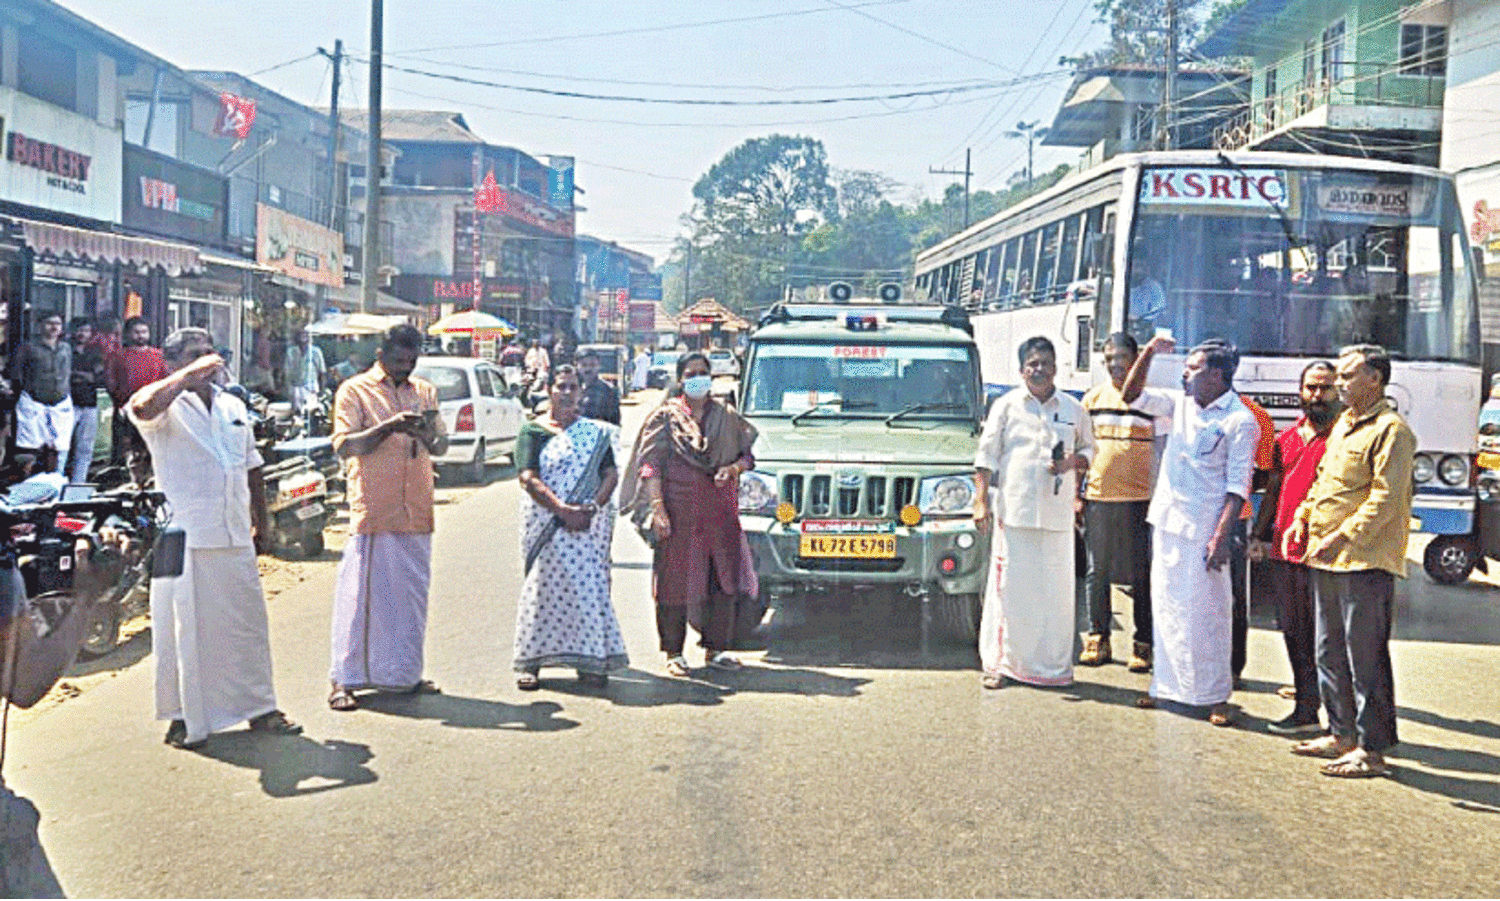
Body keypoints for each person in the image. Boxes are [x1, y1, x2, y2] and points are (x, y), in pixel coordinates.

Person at [127, 327, 301, 749]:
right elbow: (143, 408)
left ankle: (260, 707)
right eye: (192, 355)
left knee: (246, 627)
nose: (206, 360)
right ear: (170, 362)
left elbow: (251, 465)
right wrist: (186, 378)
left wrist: (263, 521)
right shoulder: (162, 402)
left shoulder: (232, 404)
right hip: (184, 533)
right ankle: (183, 716)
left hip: (233, 531)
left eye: (209, 352)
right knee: (182, 630)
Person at [1283, 345, 1415, 778]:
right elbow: (1323, 481)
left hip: (1364, 561)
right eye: (1338, 375)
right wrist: (1302, 518)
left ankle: (1371, 750)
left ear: (1375, 379)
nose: (1339, 382)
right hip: (1326, 558)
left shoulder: (1392, 430)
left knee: (1366, 658)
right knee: (1329, 650)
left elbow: (1385, 499)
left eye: (1348, 375)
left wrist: (1341, 536)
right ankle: (1341, 734)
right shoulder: (1343, 425)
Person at [327, 324, 447, 711]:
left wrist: (427, 432)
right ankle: (343, 680)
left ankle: (402, 674)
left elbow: (440, 446)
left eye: (412, 362)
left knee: (410, 599)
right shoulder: (354, 390)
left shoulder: (424, 391)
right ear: (380, 355)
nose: (405, 369)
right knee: (360, 598)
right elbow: (346, 446)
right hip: (375, 508)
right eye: (398, 360)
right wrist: (389, 428)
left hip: (416, 509)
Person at [1139, 338, 1257, 727]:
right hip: (1169, 522)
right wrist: (1149, 352)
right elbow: (1131, 394)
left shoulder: (1240, 420)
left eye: (1194, 368)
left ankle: (1215, 696)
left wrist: (1221, 536)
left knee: (1209, 614)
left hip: (1206, 529)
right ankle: (1166, 688)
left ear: (1218, 376)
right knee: (1169, 608)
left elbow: (1238, 486)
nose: (1185, 374)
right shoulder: (1179, 404)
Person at [620, 351, 758, 676]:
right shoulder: (665, 417)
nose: (699, 378)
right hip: (678, 510)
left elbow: (749, 457)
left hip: (719, 511)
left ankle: (717, 648)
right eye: (692, 372)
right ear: (681, 379)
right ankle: (674, 652)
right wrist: (658, 508)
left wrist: (733, 467)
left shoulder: (726, 415)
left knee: (721, 580)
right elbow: (650, 465)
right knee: (674, 581)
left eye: (704, 372)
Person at [973, 336, 1094, 689]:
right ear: (1022, 368)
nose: (1038, 369)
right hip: (1016, 513)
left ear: (1056, 367)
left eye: (1045, 363)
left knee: (1055, 596)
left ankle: (1052, 669)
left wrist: (1071, 463)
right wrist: (980, 501)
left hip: (1057, 517)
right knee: (1009, 591)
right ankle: (1001, 665)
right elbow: (986, 457)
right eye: (1032, 363)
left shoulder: (1074, 409)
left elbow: (1091, 450)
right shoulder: (1006, 406)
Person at [512, 365, 628, 689]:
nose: (566, 393)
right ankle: (531, 664)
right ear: (549, 389)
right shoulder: (532, 432)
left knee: (586, 588)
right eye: (561, 386)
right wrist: (561, 510)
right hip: (546, 524)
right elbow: (528, 478)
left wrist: (590, 508)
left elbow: (610, 475)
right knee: (542, 589)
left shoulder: (593, 433)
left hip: (584, 524)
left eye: (572, 387)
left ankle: (589, 659)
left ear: (580, 392)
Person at [1250, 360, 1340, 735]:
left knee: (1327, 633)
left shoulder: (1344, 440)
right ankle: (1306, 702)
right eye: (1310, 388)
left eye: (1325, 388)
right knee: (1292, 626)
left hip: (1325, 551)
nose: (1316, 395)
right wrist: (1259, 534)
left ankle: (1330, 713)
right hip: (1284, 549)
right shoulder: (1286, 439)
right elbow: (1272, 490)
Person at [1079, 332, 1173, 671]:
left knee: (1141, 573)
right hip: (1099, 498)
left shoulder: (1149, 401)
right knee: (1097, 570)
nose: (1115, 365)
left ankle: (1142, 644)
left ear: (1135, 360)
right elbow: (1082, 450)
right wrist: (1078, 496)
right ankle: (1098, 638)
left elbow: (1165, 450)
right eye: (1109, 359)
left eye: (1122, 358)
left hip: (1141, 500)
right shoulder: (1090, 400)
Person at [1231, 395, 1276, 687]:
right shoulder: (1182, 408)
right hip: (1189, 522)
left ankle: (1232, 669)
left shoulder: (1255, 415)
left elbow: (1265, 474)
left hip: (1234, 520)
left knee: (1233, 598)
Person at [106, 317, 169, 482]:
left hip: (154, 410)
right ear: (128, 334)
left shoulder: (158, 355)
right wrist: (120, 403)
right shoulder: (118, 356)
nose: (141, 336)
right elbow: (112, 382)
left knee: (152, 448)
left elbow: (165, 380)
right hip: (127, 409)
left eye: (144, 332)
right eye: (136, 332)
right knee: (129, 449)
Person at [10, 313, 74, 474]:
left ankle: (55, 480)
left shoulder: (65, 347)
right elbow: (16, 374)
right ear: (40, 326)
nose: (54, 327)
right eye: (50, 323)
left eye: (58, 324)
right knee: (29, 447)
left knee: (59, 447)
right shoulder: (28, 347)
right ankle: (27, 481)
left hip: (61, 403)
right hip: (33, 402)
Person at [66, 317, 105, 484]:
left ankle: (78, 483)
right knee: (61, 446)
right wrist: (85, 376)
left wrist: (78, 375)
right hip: (66, 403)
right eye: (79, 330)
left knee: (85, 447)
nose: (82, 334)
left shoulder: (95, 353)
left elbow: (98, 377)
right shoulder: (64, 350)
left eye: (86, 330)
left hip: (89, 403)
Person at [282, 329, 327, 409]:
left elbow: (322, 372)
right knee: (296, 414)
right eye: (301, 335)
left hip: (311, 388)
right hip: (295, 388)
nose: (303, 337)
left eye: (305, 334)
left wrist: (322, 390)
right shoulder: (291, 351)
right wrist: (288, 388)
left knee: (310, 412)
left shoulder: (316, 351)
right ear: (297, 338)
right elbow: (287, 372)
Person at [576, 349, 621, 425]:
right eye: (584, 365)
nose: (588, 369)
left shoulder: (608, 390)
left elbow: (614, 422)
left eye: (592, 365)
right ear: (576, 366)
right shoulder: (571, 388)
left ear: (599, 366)